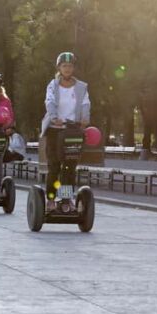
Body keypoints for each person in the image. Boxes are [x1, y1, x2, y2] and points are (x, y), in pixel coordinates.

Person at [40, 52, 91, 211]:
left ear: (73, 68)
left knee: (69, 167)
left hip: (72, 132)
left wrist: (85, 118)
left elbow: (85, 104)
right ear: (59, 68)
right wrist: (54, 117)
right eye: (64, 66)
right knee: (54, 166)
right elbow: (50, 101)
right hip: (55, 130)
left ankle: (67, 199)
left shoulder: (81, 87)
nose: (67, 69)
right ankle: (51, 199)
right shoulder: (53, 85)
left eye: (70, 66)